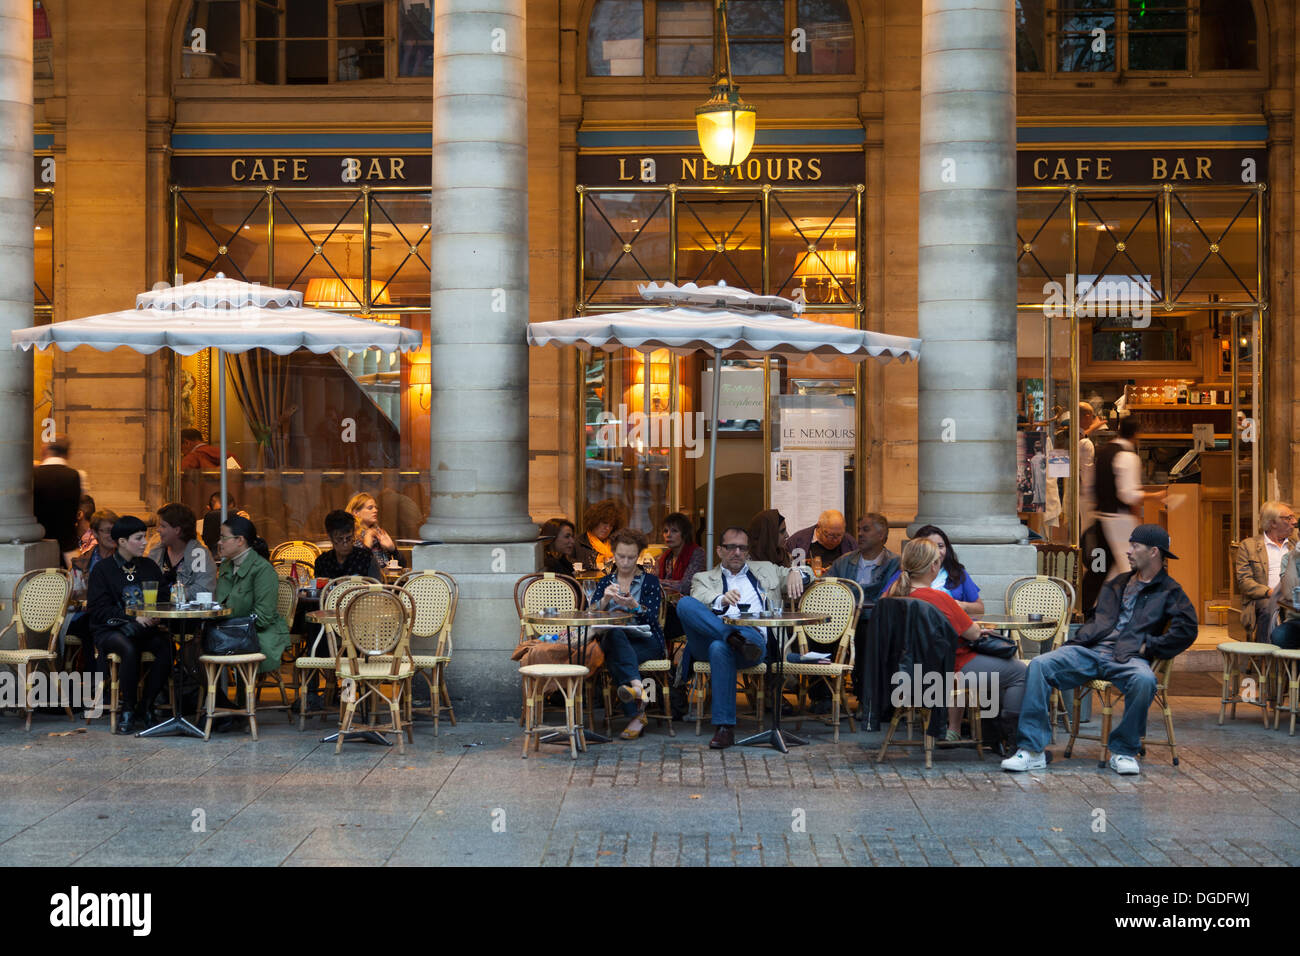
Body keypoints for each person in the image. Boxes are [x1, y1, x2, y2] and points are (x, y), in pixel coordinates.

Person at [1002, 524, 1198, 776]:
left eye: (1135, 546)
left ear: (1153, 552)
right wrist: (1082, 638)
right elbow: (1097, 618)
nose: (1128, 551)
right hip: (1091, 651)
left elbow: (1187, 630)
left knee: (1145, 680)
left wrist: (1150, 646)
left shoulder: (1170, 591)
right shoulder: (1117, 583)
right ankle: (1031, 751)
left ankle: (1124, 751)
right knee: (1040, 665)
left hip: (1130, 656)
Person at [676, 526, 812, 750]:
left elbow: (810, 573)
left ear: (748, 552)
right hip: (708, 638)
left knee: (720, 649)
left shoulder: (766, 570)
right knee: (685, 605)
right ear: (719, 551)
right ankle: (732, 637)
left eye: (742, 548)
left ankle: (724, 729)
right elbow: (699, 598)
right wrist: (721, 600)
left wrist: (796, 572)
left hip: (753, 643)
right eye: (731, 547)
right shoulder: (703, 578)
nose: (737, 552)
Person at [885, 538, 1027, 750]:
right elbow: (973, 633)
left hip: (906, 673)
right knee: (1018, 672)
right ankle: (1015, 743)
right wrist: (978, 630)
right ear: (933, 566)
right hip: (948, 671)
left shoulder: (891, 597)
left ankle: (991, 735)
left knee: (995, 671)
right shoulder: (940, 599)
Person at [86, 515, 172, 735]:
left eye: (145, 537)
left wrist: (156, 615)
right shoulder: (102, 570)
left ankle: (146, 705)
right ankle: (128, 708)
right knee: (128, 648)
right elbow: (99, 610)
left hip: (145, 629)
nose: (145, 542)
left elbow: (163, 597)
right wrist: (132, 617)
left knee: (166, 647)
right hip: (111, 630)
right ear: (122, 541)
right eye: (139, 538)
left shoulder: (149, 566)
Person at [590, 528, 665, 740]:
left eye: (631, 557)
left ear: (638, 556)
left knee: (616, 656)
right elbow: (592, 615)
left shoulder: (649, 581)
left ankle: (635, 702)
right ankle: (638, 695)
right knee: (614, 635)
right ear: (613, 554)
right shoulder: (605, 582)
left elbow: (652, 619)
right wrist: (604, 600)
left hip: (646, 640)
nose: (625, 562)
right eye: (621, 556)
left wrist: (634, 606)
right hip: (617, 638)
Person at [214, 515, 293, 682]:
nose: (219, 542)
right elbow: (220, 604)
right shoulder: (227, 566)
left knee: (202, 645)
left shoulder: (263, 570)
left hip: (257, 635)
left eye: (223, 537)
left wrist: (230, 627)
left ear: (240, 540)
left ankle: (217, 699)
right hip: (228, 631)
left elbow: (263, 618)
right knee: (192, 643)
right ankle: (213, 698)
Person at [1093, 417, 1165, 584]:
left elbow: (1091, 487)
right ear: (1135, 434)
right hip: (1119, 520)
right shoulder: (1128, 456)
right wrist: (1155, 496)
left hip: (1102, 517)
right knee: (1130, 566)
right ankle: (1128, 606)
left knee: (1109, 569)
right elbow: (1128, 495)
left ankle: (1102, 605)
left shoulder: (1104, 452)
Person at [881, 524, 984, 617]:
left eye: (940, 546)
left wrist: (962, 605)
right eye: (930, 547)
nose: (937, 552)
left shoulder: (957, 573)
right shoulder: (904, 573)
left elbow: (980, 609)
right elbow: (883, 605)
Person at [1236, 501, 1297, 640]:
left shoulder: (1295, 546)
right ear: (1273, 523)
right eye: (1288, 518)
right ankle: (1265, 656)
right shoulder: (1249, 546)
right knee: (1271, 607)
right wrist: (1271, 593)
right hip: (1265, 598)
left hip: (1294, 599)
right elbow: (1245, 582)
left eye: (1294, 517)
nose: (1294, 522)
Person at [146, 502, 217, 598]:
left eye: (163, 526)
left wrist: (170, 596)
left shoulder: (199, 555)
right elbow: (146, 584)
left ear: (177, 530)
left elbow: (203, 590)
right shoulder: (156, 552)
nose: (158, 530)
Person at [33, 437, 82, 564]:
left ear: (45, 450)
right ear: (67, 453)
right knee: (69, 581)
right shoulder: (77, 475)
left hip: (38, 543)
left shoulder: (33, 474)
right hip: (67, 546)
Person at [315, 510, 384, 580]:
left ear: (353, 534)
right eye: (339, 539)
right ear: (330, 537)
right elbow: (319, 589)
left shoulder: (366, 559)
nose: (345, 544)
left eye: (348, 538)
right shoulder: (323, 562)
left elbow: (377, 588)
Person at [787, 509, 856, 570]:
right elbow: (789, 571)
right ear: (818, 528)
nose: (835, 540)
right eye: (831, 535)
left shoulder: (850, 543)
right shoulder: (797, 542)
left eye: (839, 535)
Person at [346, 492, 400, 568]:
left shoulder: (379, 533)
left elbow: (402, 566)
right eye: (370, 508)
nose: (375, 510)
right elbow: (353, 567)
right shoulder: (350, 536)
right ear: (356, 512)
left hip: (383, 578)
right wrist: (367, 546)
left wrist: (393, 550)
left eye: (376, 507)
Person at [576, 498, 625, 568]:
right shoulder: (577, 544)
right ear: (594, 521)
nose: (607, 528)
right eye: (604, 523)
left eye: (611, 525)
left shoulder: (616, 546)